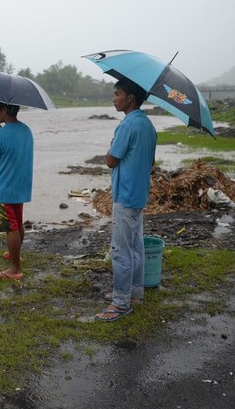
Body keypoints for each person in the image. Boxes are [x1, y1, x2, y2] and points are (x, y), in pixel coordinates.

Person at [96, 78, 157, 321]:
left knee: (121, 250)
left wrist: (111, 147)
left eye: (117, 93)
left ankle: (121, 302)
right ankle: (135, 292)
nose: (114, 98)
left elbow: (111, 160)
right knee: (135, 246)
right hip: (139, 193)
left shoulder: (126, 126)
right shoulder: (148, 125)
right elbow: (151, 161)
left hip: (125, 194)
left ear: (129, 97)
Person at [0, 100, 34, 281]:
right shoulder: (26, 130)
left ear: (5, 110)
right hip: (20, 186)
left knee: (10, 228)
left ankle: (16, 269)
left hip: (2, 188)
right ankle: (15, 255)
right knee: (17, 223)